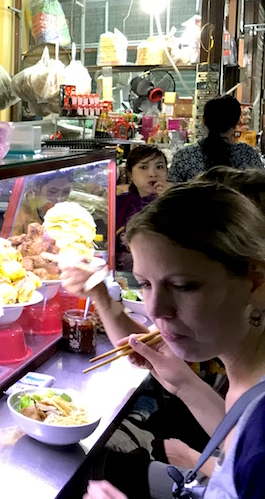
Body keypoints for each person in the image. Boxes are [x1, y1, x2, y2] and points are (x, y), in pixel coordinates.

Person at [70, 183, 265, 499]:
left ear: (255, 283)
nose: (156, 310)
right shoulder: (248, 377)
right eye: (145, 284)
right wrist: (184, 384)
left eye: (185, 286)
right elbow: (237, 441)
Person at [167, 95, 263, 182]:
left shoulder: (184, 157)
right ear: (237, 122)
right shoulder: (248, 156)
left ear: (203, 120)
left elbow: (170, 194)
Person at [115, 145, 169, 273]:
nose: (153, 174)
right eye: (143, 167)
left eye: (159, 167)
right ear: (130, 174)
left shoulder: (174, 201)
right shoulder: (120, 203)